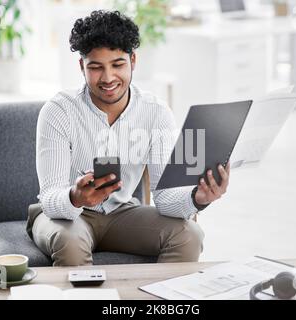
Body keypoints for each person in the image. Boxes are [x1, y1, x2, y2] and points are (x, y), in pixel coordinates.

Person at [26, 10, 230, 266]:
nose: (108, 78)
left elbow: (165, 197)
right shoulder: (59, 111)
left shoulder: (155, 112)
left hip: (121, 213)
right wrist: (75, 196)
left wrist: (198, 198)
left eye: (117, 65)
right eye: (96, 67)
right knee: (71, 242)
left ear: (133, 60)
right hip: (64, 216)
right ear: (82, 66)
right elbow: (50, 196)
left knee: (189, 235)